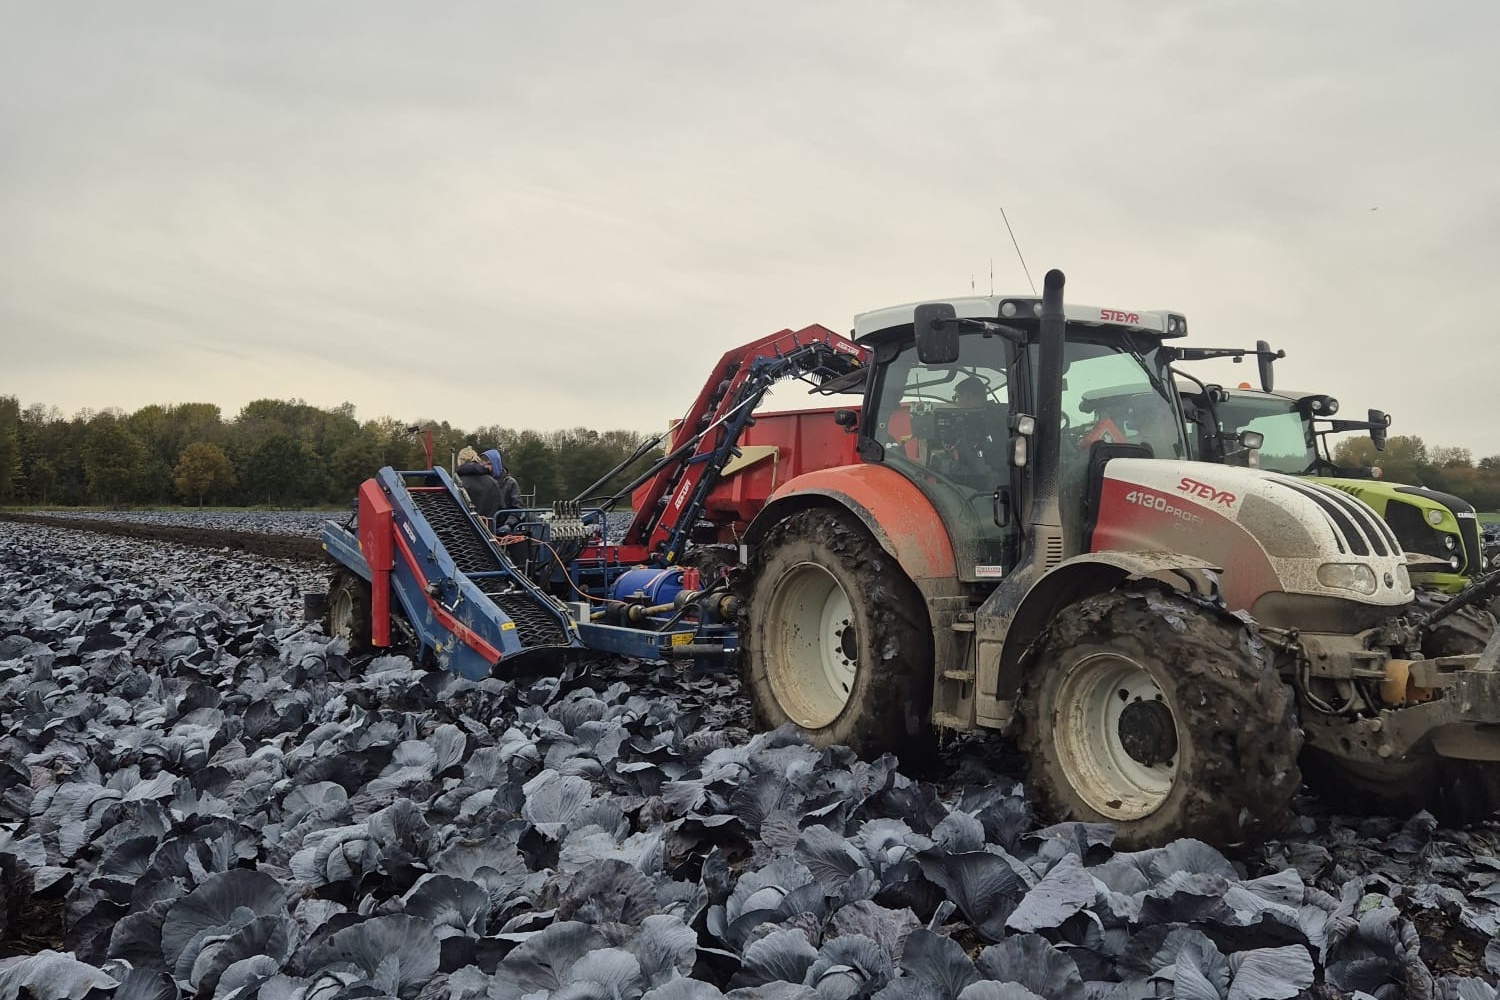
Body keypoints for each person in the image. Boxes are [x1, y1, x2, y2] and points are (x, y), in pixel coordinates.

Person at [455, 446, 503, 519]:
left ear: (460, 461)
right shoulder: (493, 482)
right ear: (476, 459)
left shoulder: (456, 483)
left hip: (462, 524)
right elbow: (501, 508)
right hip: (489, 524)